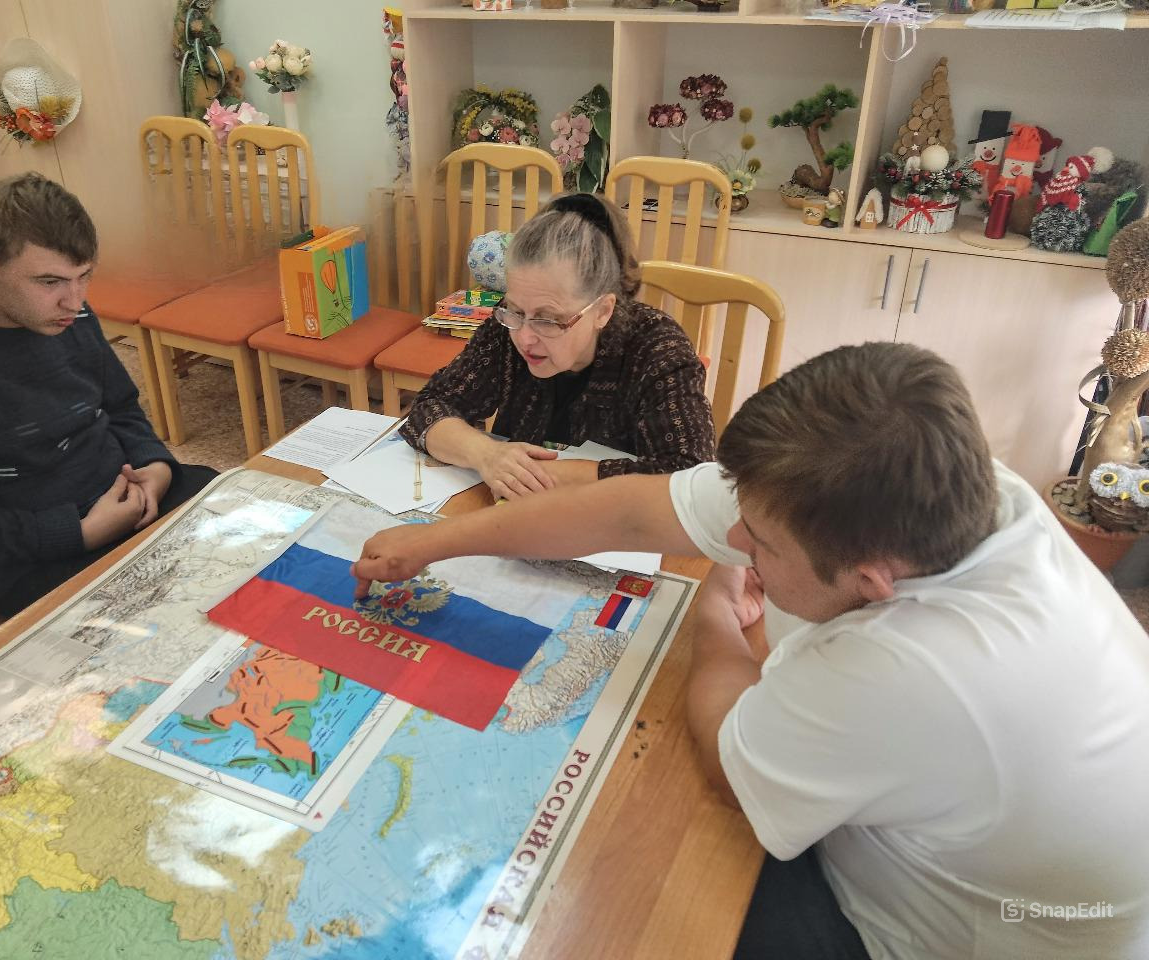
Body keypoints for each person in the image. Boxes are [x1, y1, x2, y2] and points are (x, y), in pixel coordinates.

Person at [352, 341, 1149, 960]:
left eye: (759, 541)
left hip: (940, 940)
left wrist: (716, 615)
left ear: (871, 581)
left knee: (629, 882)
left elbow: (727, 760)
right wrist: (435, 542)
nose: (733, 539)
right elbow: (629, 512)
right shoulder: (943, 489)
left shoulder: (916, 667)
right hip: (970, 854)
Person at [0, 173, 217, 617]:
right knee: (188, 624)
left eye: (84, 276)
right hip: (35, 561)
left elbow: (119, 406)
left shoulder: (65, 313)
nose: (75, 301)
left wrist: (156, 466)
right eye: (50, 282)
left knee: (268, 538)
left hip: (133, 502)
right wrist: (81, 533)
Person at [400, 192, 715, 501]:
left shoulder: (658, 349)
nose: (525, 337)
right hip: (514, 514)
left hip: (611, 525)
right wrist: (487, 454)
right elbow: (429, 407)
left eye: (549, 320)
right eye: (515, 310)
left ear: (602, 311)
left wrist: (545, 475)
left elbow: (690, 478)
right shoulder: (510, 324)